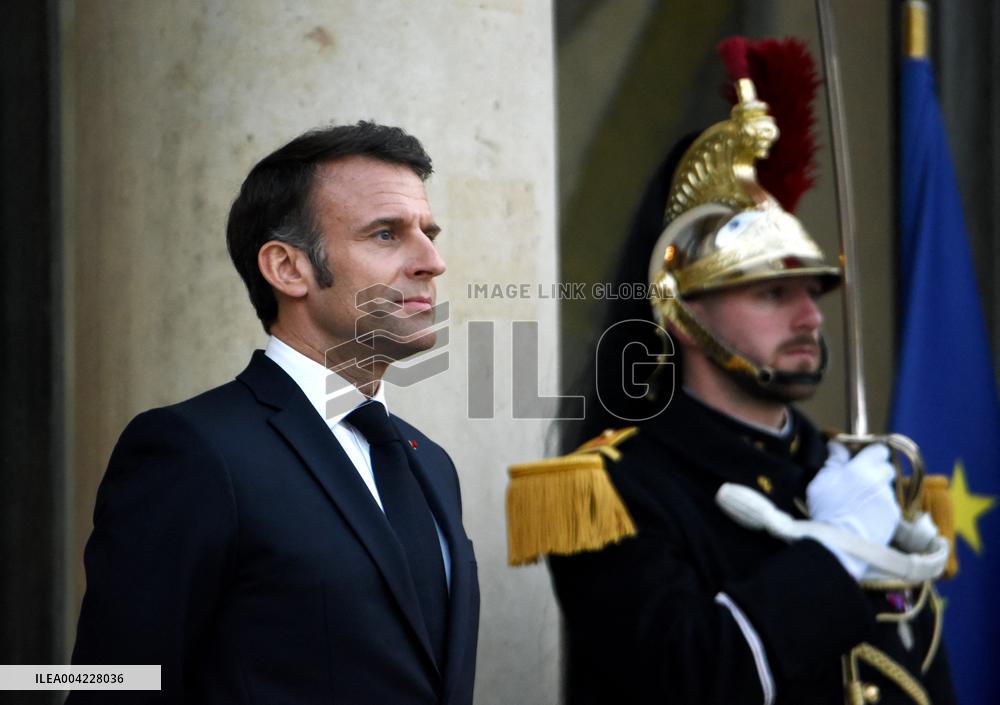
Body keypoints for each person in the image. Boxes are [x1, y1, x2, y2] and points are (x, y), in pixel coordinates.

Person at [509, 39, 955, 705]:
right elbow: (696, 675)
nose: (810, 316)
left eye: (812, 290)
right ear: (684, 311)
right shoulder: (613, 492)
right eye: (772, 293)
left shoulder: (845, 472)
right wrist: (835, 555)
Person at [69, 121, 479, 704]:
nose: (432, 261)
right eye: (387, 234)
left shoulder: (431, 465)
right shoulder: (193, 450)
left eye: (428, 232)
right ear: (288, 269)